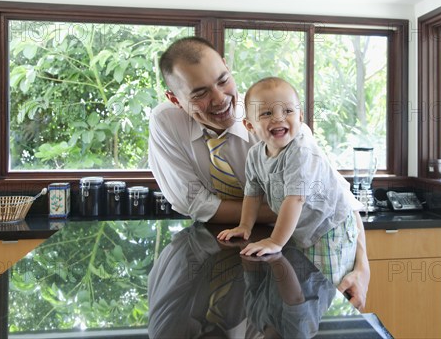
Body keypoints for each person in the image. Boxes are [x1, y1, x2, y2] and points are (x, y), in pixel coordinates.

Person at [148, 36, 369, 308]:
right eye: (200, 93)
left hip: (315, 237)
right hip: (246, 256)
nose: (220, 99)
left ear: (228, 68)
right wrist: (249, 222)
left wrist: (363, 267)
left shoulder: (283, 127)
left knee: (310, 306)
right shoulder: (166, 122)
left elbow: (337, 196)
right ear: (175, 99)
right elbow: (192, 202)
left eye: (222, 80)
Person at [217, 77, 358, 284]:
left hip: (328, 227)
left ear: (300, 116)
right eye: (266, 113)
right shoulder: (256, 154)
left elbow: (295, 199)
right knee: (303, 283)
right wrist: (245, 225)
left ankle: (329, 312)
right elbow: (253, 193)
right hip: (302, 228)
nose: (278, 118)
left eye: (288, 111)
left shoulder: (300, 150)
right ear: (249, 125)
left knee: (327, 285)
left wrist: (275, 241)